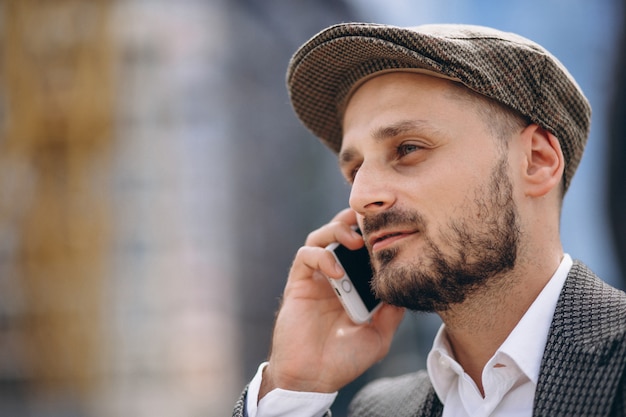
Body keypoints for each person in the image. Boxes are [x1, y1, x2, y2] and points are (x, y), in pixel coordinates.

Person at [232, 23, 626, 417]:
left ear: (537, 161)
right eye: (354, 170)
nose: (361, 197)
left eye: (407, 148)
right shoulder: (379, 411)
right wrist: (294, 388)